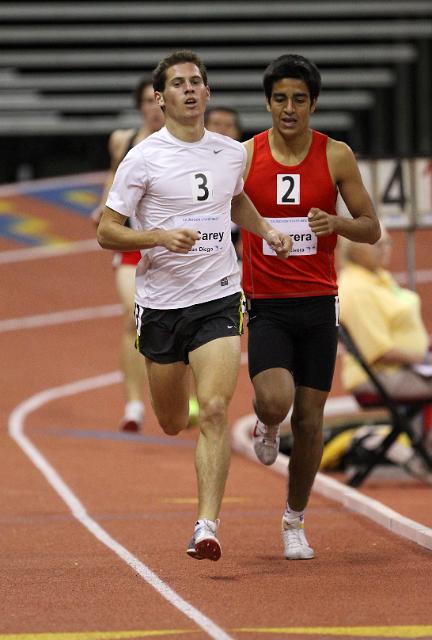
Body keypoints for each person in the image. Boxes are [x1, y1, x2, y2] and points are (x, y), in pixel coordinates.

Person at [96, 50, 291, 561]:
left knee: (214, 409)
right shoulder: (142, 157)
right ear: (160, 99)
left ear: (207, 93)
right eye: (178, 83)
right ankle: (162, 398)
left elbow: (236, 200)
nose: (189, 89)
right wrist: (157, 236)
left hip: (219, 296)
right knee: (171, 421)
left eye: (196, 82)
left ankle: (206, 525)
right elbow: (106, 231)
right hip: (161, 305)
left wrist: (266, 229)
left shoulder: (230, 152)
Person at [241, 54, 381, 560]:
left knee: (311, 421)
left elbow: (372, 226)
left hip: (319, 302)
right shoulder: (246, 155)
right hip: (268, 304)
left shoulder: (336, 156)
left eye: (299, 99)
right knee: (276, 401)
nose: (289, 108)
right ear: (268, 102)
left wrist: (336, 224)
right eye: (280, 98)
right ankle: (265, 422)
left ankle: (294, 520)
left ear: (314, 103)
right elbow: (223, 208)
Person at [91, 78, 165, 432]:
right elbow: (113, 177)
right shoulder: (124, 140)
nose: (154, 108)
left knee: (180, 321)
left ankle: (184, 391)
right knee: (132, 316)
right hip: (133, 245)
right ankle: (134, 403)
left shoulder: (183, 144)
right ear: (140, 106)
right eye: (148, 101)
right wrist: (102, 208)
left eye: (159, 100)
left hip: (172, 246)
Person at [338, 226, 432, 402]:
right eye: (377, 245)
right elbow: (379, 352)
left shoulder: (377, 277)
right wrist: (424, 358)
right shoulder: (357, 289)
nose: (385, 249)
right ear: (353, 250)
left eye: (387, 243)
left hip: (405, 369)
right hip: (382, 375)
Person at [205, 106, 244, 261]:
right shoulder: (187, 164)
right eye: (216, 124)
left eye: (228, 125)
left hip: (239, 242)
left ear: (238, 132)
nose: (222, 130)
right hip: (199, 239)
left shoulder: (248, 162)